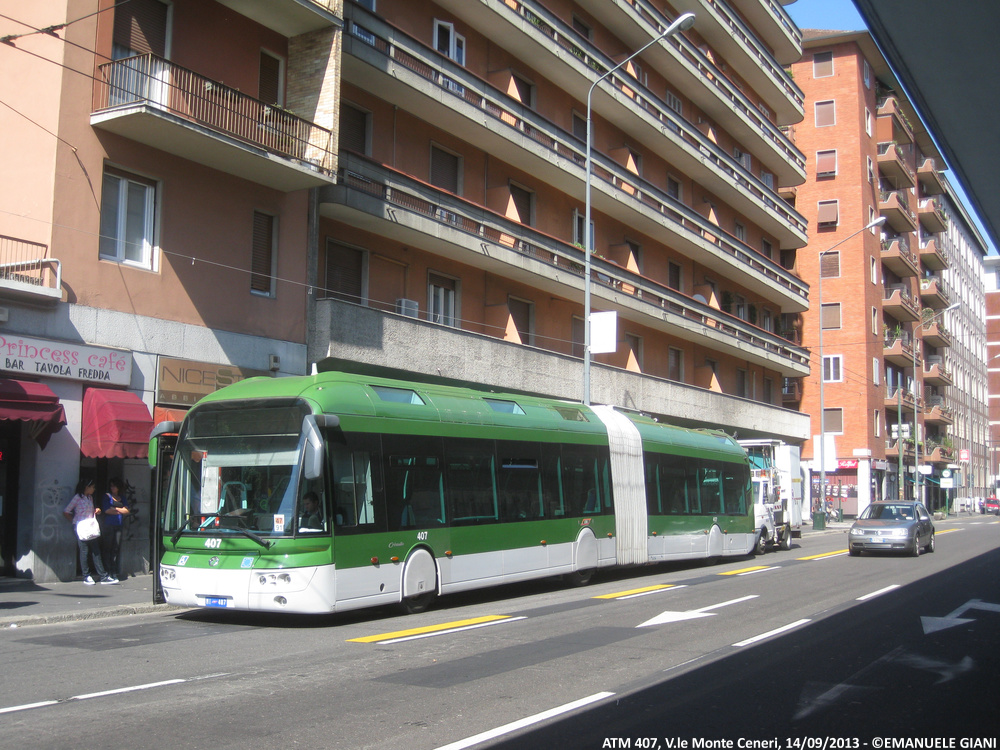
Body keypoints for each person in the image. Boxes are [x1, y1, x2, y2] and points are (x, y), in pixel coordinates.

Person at [63, 478, 117, 585]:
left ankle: (103, 576)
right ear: (86, 487)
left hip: (90, 526)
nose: (94, 489)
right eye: (92, 487)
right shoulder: (77, 498)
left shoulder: (90, 498)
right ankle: (86, 576)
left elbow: (89, 511)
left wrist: (97, 511)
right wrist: (74, 522)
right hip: (81, 526)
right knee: (84, 551)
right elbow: (66, 511)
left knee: (96, 550)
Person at [100, 477, 131, 581]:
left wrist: (116, 509)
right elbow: (107, 510)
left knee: (115, 548)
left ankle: (113, 571)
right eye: (111, 486)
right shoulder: (107, 496)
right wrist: (121, 510)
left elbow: (127, 511)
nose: (112, 488)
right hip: (109, 525)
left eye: (114, 486)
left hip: (118, 525)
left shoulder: (122, 497)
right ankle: (107, 571)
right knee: (107, 548)